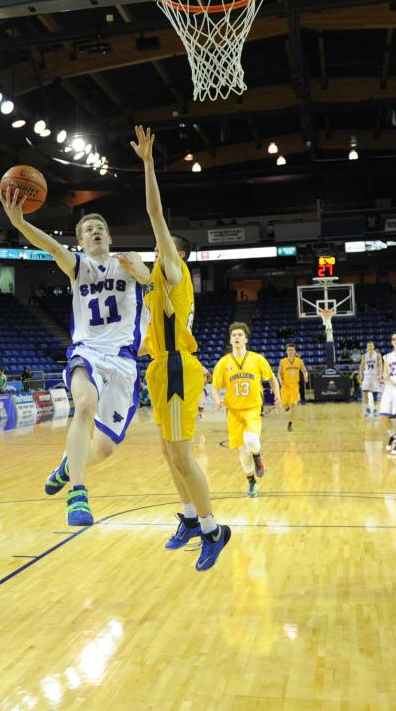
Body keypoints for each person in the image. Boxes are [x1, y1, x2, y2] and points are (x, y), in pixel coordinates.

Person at [0, 174, 150, 527]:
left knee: (105, 448)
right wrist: (20, 223)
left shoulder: (127, 260)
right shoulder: (77, 265)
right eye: (88, 229)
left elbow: (148, 279)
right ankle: (78, 493)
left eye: (100, 227)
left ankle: (68, 465)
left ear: (110, 237)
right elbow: (52, 247)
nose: (95, 231)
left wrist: (140, 271)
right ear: (80, 242)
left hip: (124, 363)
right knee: (84, 405)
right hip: (88, 352)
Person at [135, 125, 231, 571]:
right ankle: (191, 518)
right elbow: (145, 285)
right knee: (167, 452)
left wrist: (149, 165)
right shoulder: (156, 281)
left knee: (182, 454)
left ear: (175, 252)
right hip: (160, 367)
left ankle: (214, 529)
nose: (158, 248)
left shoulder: (173, 269)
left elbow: (155, 215)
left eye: (163, 246)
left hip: (177, 368)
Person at [213, 323, 282, 497]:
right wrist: (217, 400)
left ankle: (258, 457)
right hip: (233, 411)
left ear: (245, 339)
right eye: (234, 335)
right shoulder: (223, 362)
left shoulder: (258, 359)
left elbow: (272, 379)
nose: (236, 337)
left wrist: (277, 396)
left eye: (239, 335)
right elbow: (215, 386)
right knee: (243, 452)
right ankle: (252, 483)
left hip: (252, 408)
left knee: (251, 440)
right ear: (230, 340)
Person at [277, 343, 307, 430]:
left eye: (292, 350)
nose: (290, 351)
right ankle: (286, 407)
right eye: (289, 350)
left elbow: (304, 371)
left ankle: (290, 424)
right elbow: (279, 373)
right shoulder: (282, 361)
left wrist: (305, 376)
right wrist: (280, 380)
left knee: (293, 405)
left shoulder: (299, 361)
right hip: (285, 387)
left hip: (294, 387)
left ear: (295, 351)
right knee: (285, 405)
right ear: (286, 351)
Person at [359, 340, 382, 418]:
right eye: (369, 346)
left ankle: (375, 409)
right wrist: (360, 374)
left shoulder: (378, 355)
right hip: (367, 376)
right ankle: (367, 409)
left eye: (371, 345)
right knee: (365, 393)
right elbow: (361, 366)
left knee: (375, 394)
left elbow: (381, 365)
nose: (370, 347)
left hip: (375, 376)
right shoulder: (364, 356)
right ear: (367, 347)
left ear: (374, 346)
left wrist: (380, 374)